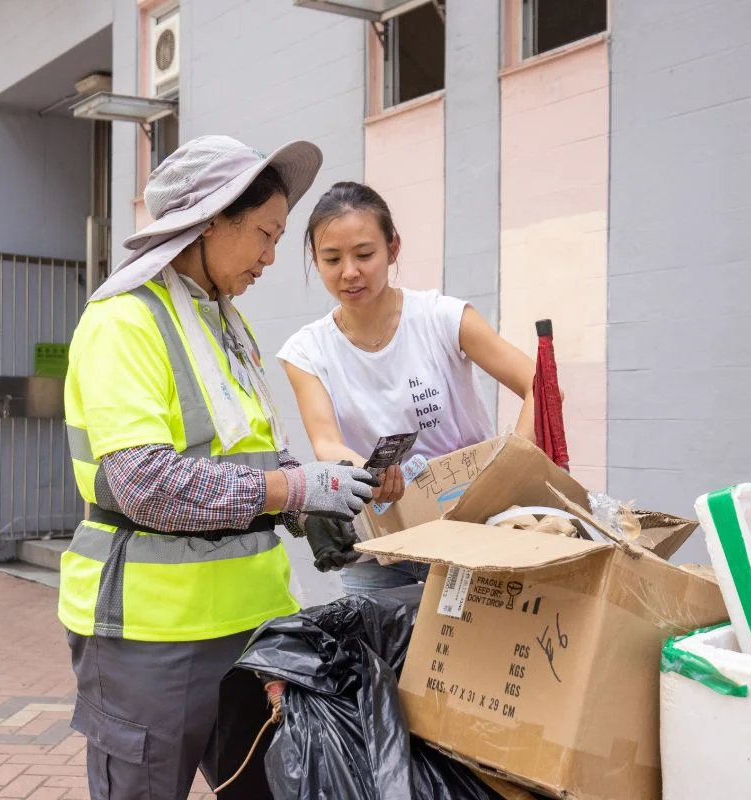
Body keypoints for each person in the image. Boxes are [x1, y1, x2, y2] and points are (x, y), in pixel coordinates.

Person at [59, 137, 379, 800]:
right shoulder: (125, 323)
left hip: (251, 624)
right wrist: (292, 487)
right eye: (263, 234)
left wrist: (307, 504)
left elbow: (256, 451)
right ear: (209, 220)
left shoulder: (226, 325)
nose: (270, 256)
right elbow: (146, 485)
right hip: (151, 635)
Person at [277, 181, 538, 596]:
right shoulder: (306, 352)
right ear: (315, 260)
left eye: (365, 254)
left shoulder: (442, 318)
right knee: (379, 655)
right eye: (331, 259)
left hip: (469, 532)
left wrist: (512, 470)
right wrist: (367, 473)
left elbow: (540, 386)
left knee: (467, 655)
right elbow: (326, 442)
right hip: (380, 547)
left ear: (392, 248)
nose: (349, 272)